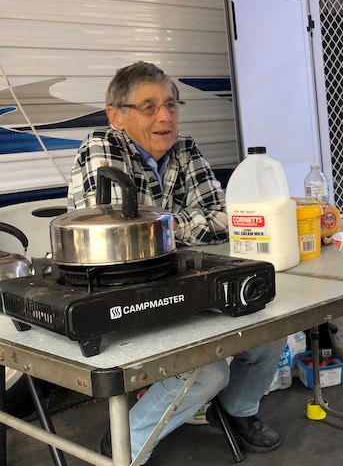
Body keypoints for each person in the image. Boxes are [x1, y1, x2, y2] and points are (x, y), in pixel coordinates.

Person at [67, 61, 284, 463]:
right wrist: (173, 226)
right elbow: (118, 235)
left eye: (171, 104)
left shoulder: (184, 148)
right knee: (208, 370)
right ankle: (124, 444)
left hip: (183, 282)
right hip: (125, 295)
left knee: (271, 328)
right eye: (148, 107)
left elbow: (223, 218)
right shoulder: (100, 148)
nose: (165, 117)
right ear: (117, 115)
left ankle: (238, 410)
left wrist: (157, 226)